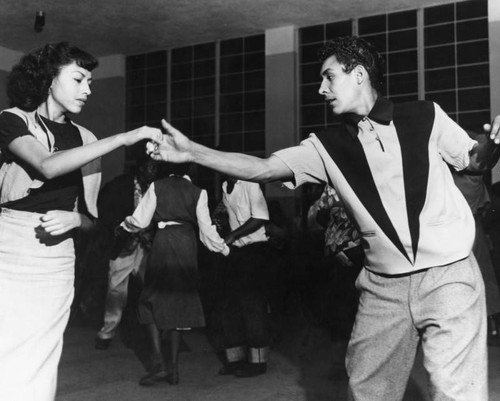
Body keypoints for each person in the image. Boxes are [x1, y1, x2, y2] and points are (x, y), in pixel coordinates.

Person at [148, 36, 500, 401]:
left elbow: (474, 160)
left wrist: (494, 144)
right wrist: (194, 152)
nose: (321, 88)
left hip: (450, 275)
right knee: (368, 391)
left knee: (456, 390)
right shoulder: (323, 146)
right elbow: (263, 167)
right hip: (384, 287)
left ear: (359, 75)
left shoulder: (426, 115)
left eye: (329, 77)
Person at [0, 42, 161, 401]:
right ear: (47, 79)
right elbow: (46, 165)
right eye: (79, 79)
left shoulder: (86, 139)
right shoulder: (12, 120)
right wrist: (123, 138)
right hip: (8, 248)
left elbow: (94, 223)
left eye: (90, 81)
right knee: (6, 347)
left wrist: (75, 219)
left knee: (43, 354)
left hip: (56, 260)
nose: (88, 89)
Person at [119, 162, 229, 386]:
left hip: (164, 243)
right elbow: (207, 230)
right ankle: (174, 370)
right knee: (178, 303)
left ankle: (158, 363)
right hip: (187, 245)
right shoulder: (199, 192)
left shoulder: (157, 186)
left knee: (149, 301)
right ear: (190, 169)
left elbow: (140, 220)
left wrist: (124, 225)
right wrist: (223, 247)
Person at [94, 159, 159, 350]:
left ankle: (156, 334)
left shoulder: (157, 187)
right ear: (140, 167)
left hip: (147, 246)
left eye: (156, 167)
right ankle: (107, 333)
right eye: (150, 166)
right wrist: (118, 229)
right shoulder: (120, 185)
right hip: (123, 245)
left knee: (152, 289)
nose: (153, 171)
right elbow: (105, 210)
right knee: (115, 291)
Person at [211, 178, 272, 378]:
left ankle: (258, 362)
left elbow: (260, 218)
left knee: (252, 305)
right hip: (236, 251)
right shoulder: (224, 187)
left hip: (256, 251)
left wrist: (233, 235)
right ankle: (235, 360)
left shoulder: (250, 183)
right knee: (229, 305)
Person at [451, 130, 500, 345]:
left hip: (464, 228)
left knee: (476, 279)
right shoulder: (473, 175)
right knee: (479, 278)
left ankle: (486, 325)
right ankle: (489, 325)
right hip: (468, 227)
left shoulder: (467, 174)